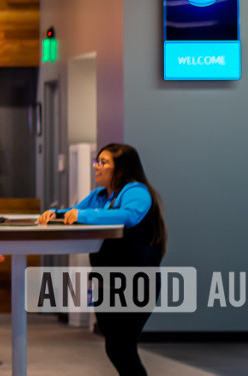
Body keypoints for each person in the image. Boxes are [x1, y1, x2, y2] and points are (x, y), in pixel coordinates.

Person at [39, 143, 167, 376]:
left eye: (103, 162)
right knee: (114, 346)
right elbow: (75, 212)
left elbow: (128, 217)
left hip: (136, 282)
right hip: (107, 283)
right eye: (96, 161)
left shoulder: (136, 191)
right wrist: (56, 215)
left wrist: (83, 215)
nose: (96, 167)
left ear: (122, 168)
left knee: (122, 347)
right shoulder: (99, 195)